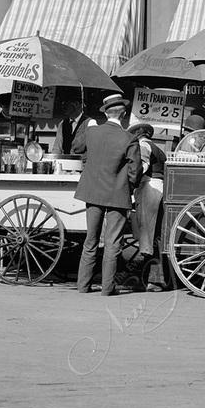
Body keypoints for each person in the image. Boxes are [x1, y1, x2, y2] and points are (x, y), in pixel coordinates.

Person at [74, 94, 142, 296]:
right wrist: (129, 187)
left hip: (92, 192)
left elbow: (76, 147)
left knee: (90, 241)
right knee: (113, 244)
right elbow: (135, 170)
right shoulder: (129, 138)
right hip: (117, 195)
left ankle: (83, 286)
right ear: (123, 114)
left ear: (106, 112)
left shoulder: (92, 132)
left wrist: (88, 128)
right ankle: (107, 288)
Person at [128, 122, 166, 264]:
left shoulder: (143, 145)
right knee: (152, 229)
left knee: (146, 228)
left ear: (138, 133)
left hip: (149, 186)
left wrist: (130, 181)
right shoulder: (157, 147)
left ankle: (147, 259)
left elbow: (142, 166)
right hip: (158, 187)